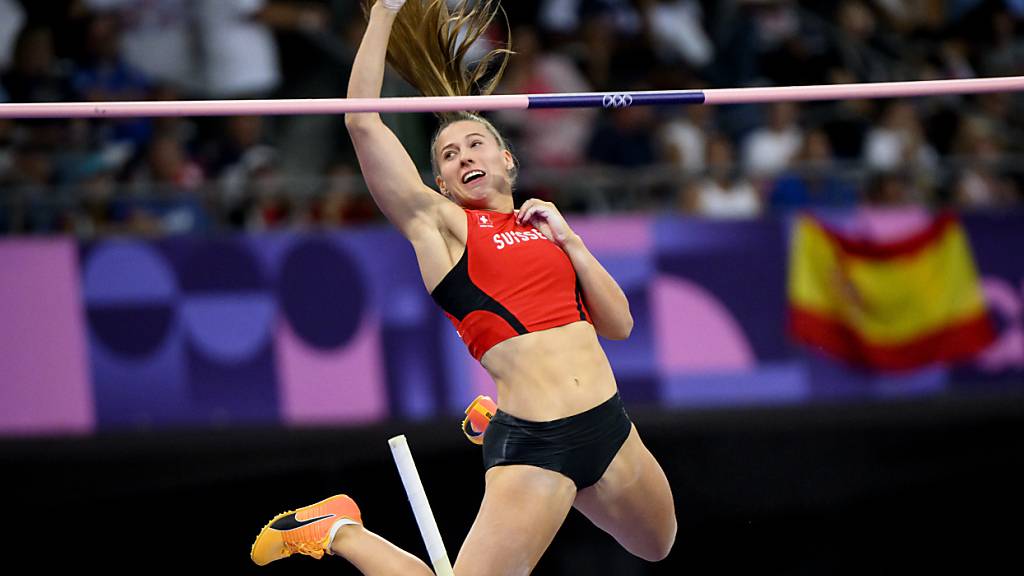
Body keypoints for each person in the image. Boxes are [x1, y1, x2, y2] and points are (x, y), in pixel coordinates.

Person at [250, 1, 677, 574]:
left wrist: (572, 242)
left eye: (475, 144)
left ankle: (488, 419)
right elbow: (360, 121)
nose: (463, 157)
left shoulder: (545, 228)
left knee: (658, 544)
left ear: (507, 159)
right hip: (537, 450)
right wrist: (383, 14)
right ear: (443, 183)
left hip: (608, 422)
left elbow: (620, 325)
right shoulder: (444, 228)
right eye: (448, 156)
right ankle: (338, 530)